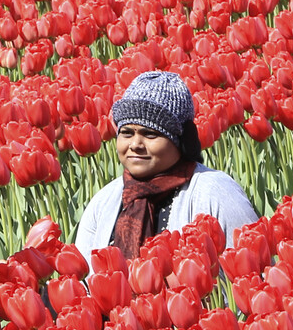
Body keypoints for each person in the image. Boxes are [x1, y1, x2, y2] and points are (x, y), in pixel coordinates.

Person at [74, 71, 260, 258]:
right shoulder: (104, 201)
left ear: (181, 140)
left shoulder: (216, 192)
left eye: (150, 134)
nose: (135, 145)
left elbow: (250, 266)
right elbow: (85, 281)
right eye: (127, 133)